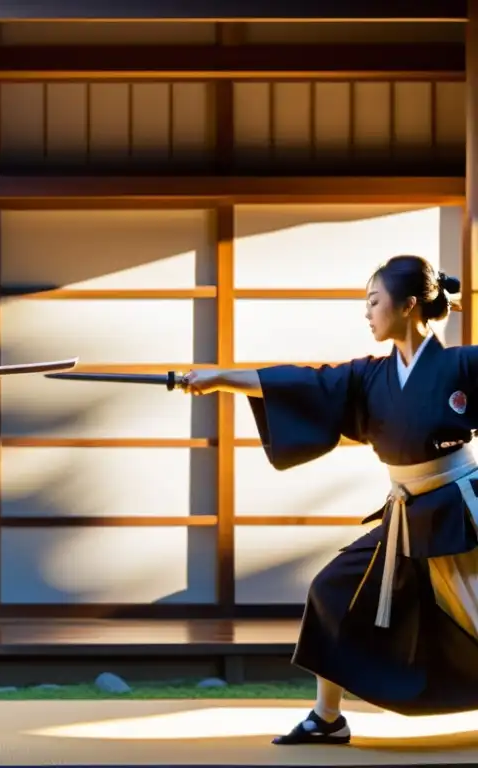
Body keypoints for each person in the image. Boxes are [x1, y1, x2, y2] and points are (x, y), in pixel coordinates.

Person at [180, 254, 478, 746]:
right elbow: (305, 383)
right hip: (407, 514)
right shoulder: (369, 376)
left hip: (460, 514)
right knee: (331, 591)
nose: (367, 312)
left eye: (374, 301)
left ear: (406, 306)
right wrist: (220, 378)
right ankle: (328, 717)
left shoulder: (463, 364)